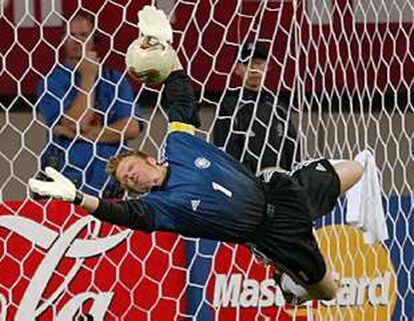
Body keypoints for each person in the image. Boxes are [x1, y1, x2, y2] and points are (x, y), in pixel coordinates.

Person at [29, 46, 364, 305]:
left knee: (356, 168)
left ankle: (304, 216)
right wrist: (77, 197)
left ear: (148, 158)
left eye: (132, 170)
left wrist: (166, 49)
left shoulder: (178, 144)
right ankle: (292, 283)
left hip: (277, 191)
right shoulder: (160, 206)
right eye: (129, 182)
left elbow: (181, 100)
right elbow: (122, 214)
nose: (133, 179)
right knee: (329, 290)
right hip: (271, 235)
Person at [36, 9, 141, 198]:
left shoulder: (115, 80)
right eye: (71, 35)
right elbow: (75, 123)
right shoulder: (52, 82)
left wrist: (87, 135)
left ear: (94, 39)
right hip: (67, 180)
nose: (77, 40)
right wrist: (88, 76)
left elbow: (132, 127)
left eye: (83, 35)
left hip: (110, 181)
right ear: (63, 39)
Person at [213, 42, 300, 173]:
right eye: (248, 63)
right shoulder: (229, 106)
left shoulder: (278, 106)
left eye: (258, 63)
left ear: (267, 66)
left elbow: (292, 149)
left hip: (280, 181)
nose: (254, 69)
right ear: (237, 68)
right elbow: (223, 149)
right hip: (245, 183)